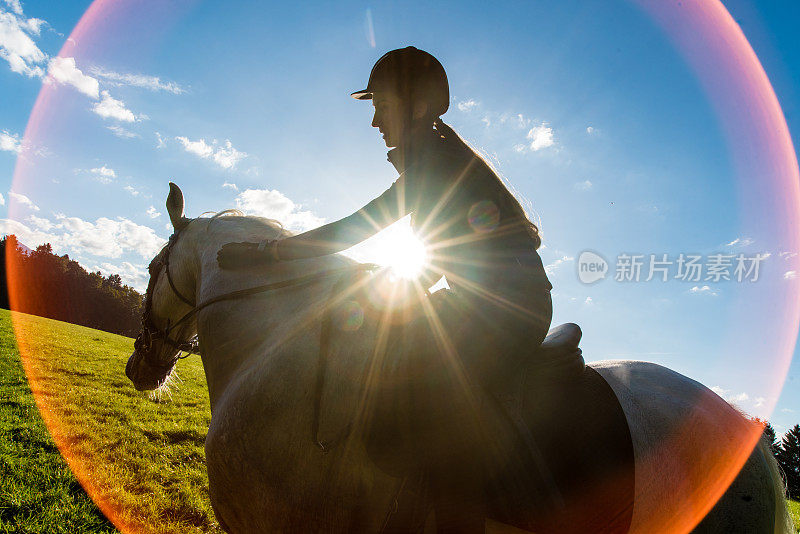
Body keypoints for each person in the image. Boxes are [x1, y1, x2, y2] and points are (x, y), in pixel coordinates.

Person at [218, 46, 553, 533]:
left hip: (506, 308)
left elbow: (357, 228)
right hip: (481, 300)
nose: (374, 120)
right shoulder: (437, 162)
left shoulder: (437, 165)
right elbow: (443, 257)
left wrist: (271, 253)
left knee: (437, 400)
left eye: (382, 105)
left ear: (416, 108)